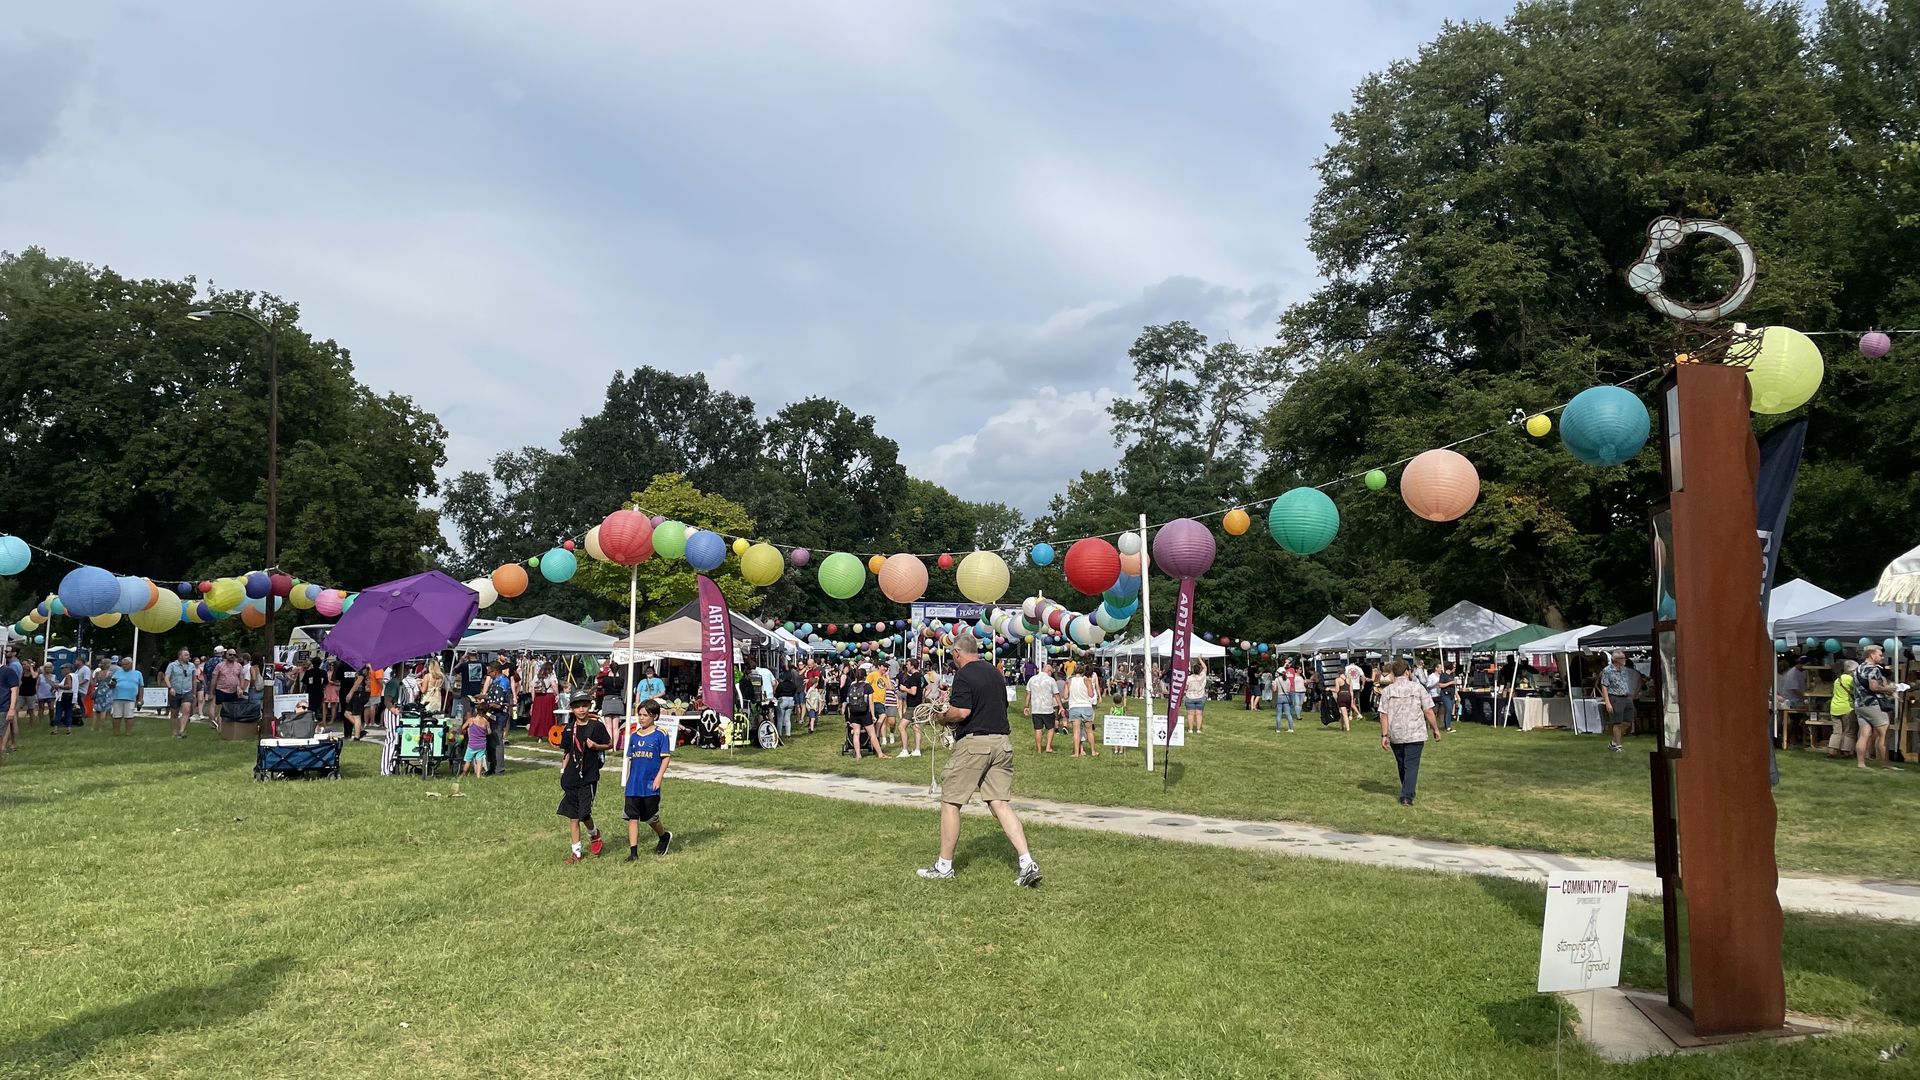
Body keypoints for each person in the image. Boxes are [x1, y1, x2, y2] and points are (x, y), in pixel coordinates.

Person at [919, 634, 1041, 886]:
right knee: (999, 802)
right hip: (1002, 743)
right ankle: (1027, 862)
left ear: (957, 653)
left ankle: (944, 866)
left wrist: (941, 715)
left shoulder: (963, 674)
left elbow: (962, 712)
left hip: (976, 744)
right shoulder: (995, 673)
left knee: (950, 801)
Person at [557, 690, 613, 862]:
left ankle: (594, 833)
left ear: (589, 706)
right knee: (573, 817)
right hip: (571, 777)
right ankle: (576, 853)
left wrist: (596, 746)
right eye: (577, 707)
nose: (581, 710)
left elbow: (609, 744)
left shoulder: (596, 726)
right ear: (572, 709)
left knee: (584, 814)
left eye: (584, 706)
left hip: (588, 776)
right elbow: (567, 752)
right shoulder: (568, 729)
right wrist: (562, 771)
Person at [1378, 660, 1442, 806]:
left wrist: (1384, 735)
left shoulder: (1388, 690)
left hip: (1396, 733)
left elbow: (1383, 714)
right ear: (1407, 671)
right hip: (1415, 732)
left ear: (1393, 673)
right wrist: (1436, 729)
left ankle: (1407, 791)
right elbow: (1428, 710)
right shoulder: (1418, 688)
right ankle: (1407, 795)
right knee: (1411, 765)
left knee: (1402, 764)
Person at [621, 698, 675, 860]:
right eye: (640, 714)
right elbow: (631, 759)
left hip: (650, 784)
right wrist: (628, 779)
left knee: (650, 817)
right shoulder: (635, 736)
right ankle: (633, 853)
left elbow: (665, 758)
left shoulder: (661, 734)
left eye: (645, 715)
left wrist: (659, 778)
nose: (641, 718)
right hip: (634, 785)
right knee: (632, 817)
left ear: (655, 716)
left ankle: (664, 836)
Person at [1853, 645, 1897, 771]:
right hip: (1872, 704)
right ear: (1872, 655)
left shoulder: (1858, 668)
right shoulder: (1873, 669)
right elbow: (1874, 687)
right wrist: (1889, 688)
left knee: (1864, 735)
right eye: (1880, 655)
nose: (1882, 657)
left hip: (1859, 705)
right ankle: (1886, 764)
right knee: (1884, 734)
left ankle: (1861, 764)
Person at [1598, 651, 1641, 753]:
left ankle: (1613, 742)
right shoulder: (1607, 671)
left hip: (1626, 696)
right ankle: (1618, 745)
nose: (1625, 660)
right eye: (1622, 658)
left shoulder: (1624, 670)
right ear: (1616, 660)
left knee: (1628, 721)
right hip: (1615, 697)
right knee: (1617, 723)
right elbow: (1604, 687)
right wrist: (1607, 702)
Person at [844, 667, 885, 760]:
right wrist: (873, 715)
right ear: (865, 676)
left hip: (854, 713)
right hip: (865, 713)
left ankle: (858, 755)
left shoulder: (852, 686)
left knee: (856, 733)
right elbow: (871, 702)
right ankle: (880, 754)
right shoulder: (867, 687)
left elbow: (848, 701)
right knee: (872, 734)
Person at [1064, 664, 1101, 757]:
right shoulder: (1087, 680)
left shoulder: (1068, 681)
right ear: (1083, 672)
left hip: (1074, 707)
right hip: (1086, 706)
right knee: (1089, 731)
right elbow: (1091, 694)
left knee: (1076, 731)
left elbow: (1065, 696)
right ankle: (1093, 751)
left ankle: (1076, 752)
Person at [1025, 660, 1060, 754]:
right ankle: (1048, 747)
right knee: (1051, 728)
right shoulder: (1050, 680)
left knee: (1038, 729)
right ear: (1048, 671)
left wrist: (1026, 706)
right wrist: (1061, 706)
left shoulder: (1032, 679)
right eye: (1051, 672)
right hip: (1047, 708)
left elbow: (1028, 693)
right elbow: (1056, 694)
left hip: (1036, 708)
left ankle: (1039, 749)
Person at [104, 656, 143, 736]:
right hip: (117, 697)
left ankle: (128, 732)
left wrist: (140, 698)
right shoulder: (117, 673)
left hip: (130, 698)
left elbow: (141, 686)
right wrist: (112, 684)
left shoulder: (137, 674)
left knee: (129, 716)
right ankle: (116, 732)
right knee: (116, 715)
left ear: (131, 664)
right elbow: (111, 684)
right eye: (122, 664)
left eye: (126, 664)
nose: (124, 666)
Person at [454, 708, 488, 795]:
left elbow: (462, 728)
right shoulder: (486, 722)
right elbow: (489, 732)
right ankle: (478, 776)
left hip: (472, 745)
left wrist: (461, 732)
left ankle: (463, 774)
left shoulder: (471, 720)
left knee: (468, 761)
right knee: (479, 761)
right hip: (482, 744)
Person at [165, 648, 197, 739]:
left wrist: (194, 693)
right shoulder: (172, 665)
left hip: (187, 691)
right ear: (180, 656)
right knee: (174, 713)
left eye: (188, 655)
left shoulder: (192, 666)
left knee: (186, 710)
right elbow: (167, 677)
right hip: (175, 691)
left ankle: (182, 730)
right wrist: (170, 687)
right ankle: (174, 731)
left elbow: (194, 679)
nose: (188, 657)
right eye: (186, 655)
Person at [1183, 661, 1208, 734]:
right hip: (1200, 697)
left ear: (1193, 670)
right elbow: (1205, 667)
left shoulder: (1189, 678)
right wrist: (1200, 659)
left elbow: (1185, 687)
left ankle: (1190, 729)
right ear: (1200, 671)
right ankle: (1198, 729)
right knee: (1199, 714)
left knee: (1190, 714)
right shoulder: (1202, 676)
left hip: (1190, 697)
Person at [774, 664, 797, 739]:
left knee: (780, 718)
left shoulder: (781, 684)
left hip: (782, 700)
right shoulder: (793, 685)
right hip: (790, 700)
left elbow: (777, 692)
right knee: (787, 719)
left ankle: (779, 734)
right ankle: (788, 734)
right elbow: (794, 691)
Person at [1434, 664, 1459, 732]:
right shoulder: (1443, 675)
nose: (1455, 668)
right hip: (1445, 695)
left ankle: (1448, 725)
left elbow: (1454, 685)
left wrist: (1457, 695)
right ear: (1450, 668)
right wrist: (1450, 683)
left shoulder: (1452, 675)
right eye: (1454, 667)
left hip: (1451, 695)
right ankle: (1448, 727)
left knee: (1450, 711)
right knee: (1448, 709)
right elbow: (1440, 685)